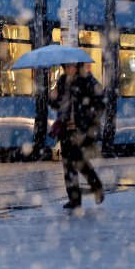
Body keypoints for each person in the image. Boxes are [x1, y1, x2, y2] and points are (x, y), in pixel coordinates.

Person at [49, 62, 106, 209]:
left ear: (77, 66)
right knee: (68, 165)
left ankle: (97, 187)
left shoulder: (87, 80)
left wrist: (90, 116)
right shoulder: (62, 81)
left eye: (71, 66)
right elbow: (56, 105)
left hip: (83, 129)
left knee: (80, 162)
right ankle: (74, 199)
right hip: (66, 129)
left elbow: (101, 100)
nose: (68, 69)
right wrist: (53, 97)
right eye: (66, 67)